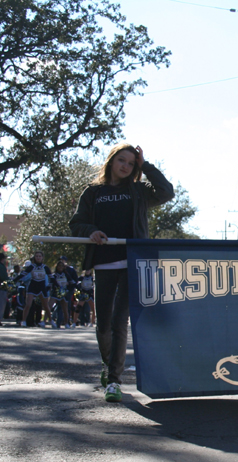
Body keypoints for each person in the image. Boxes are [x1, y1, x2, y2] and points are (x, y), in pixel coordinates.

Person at [69, 143, 175, 402]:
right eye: (122, 160)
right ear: (111, 161)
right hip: (103, 263)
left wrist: (145, 165)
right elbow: (77, 223)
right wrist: (90, 231)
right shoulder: (93, 192)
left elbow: (166, 192)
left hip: (132, 262)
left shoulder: (139, 191)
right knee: (103, 324)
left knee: (119, 322)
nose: (126, 166)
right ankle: (109, 365)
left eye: (131, 163)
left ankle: (114, 381)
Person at [18, 251, 54, 327]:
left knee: (46, 305)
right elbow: (22, 274)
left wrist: (51, 285)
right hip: (32, 286)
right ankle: (23, 321)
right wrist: (14, 280)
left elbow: (52, 278)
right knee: (28, 304)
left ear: (42, 258)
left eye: (39, 256)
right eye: (36, 256)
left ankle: (50, 320)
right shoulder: (31, 267)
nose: (38, 258)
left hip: (42, 287)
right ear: (34, 257)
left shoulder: (45, 267)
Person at [48, 260, 72, 329]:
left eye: (62, 266)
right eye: (59, 266)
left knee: (65, 309)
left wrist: (68, 286)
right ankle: (45, 321)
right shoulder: (54, 275)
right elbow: (50, 284)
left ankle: (66, 323)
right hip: (55, 293)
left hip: (63, 293)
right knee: (49, 306)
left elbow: (72, 282)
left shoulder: (66, 274)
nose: (60, 267)